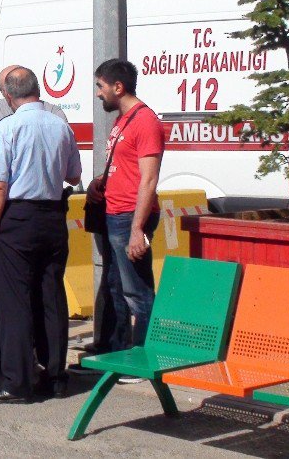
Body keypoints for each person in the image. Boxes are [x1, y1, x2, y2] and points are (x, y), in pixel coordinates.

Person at [0, 67, 81, 403]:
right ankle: (56, 377)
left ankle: (18, 382)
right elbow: (72, 175)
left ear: (9, 96)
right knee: (51, 296)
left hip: (18, 216)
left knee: (15, 301)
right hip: (52, 216)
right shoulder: (60, 126)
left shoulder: (8, 127)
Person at [92, 59, 165, 376]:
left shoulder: (145, 121)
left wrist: (137, 229)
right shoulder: (122, 120)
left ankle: (143, 356)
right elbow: (126, 168)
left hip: (130, 218)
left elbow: (149, 179)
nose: (98, 94)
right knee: (117, 288)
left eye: (100, 86)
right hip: (114, 213)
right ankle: (119, 355)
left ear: (117, 87)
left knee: (136, 291)